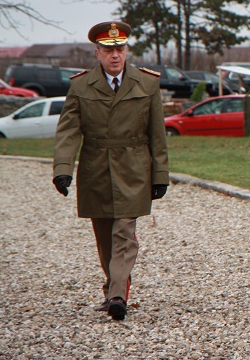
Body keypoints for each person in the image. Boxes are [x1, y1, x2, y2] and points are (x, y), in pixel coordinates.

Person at [52, 21, 169, 321]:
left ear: (127, 50)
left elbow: (157, 134)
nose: (115, 55)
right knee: (105, 237)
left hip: (134, 169)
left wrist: (160, 175)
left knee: (124, 234)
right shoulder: (80, 85)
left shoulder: (147, 83)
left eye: (120, 49)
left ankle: (118, 295)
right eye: (108, 50)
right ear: (97, 53)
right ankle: (114, 286)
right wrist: (62, 169)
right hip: (96, 169)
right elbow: (68, 131)